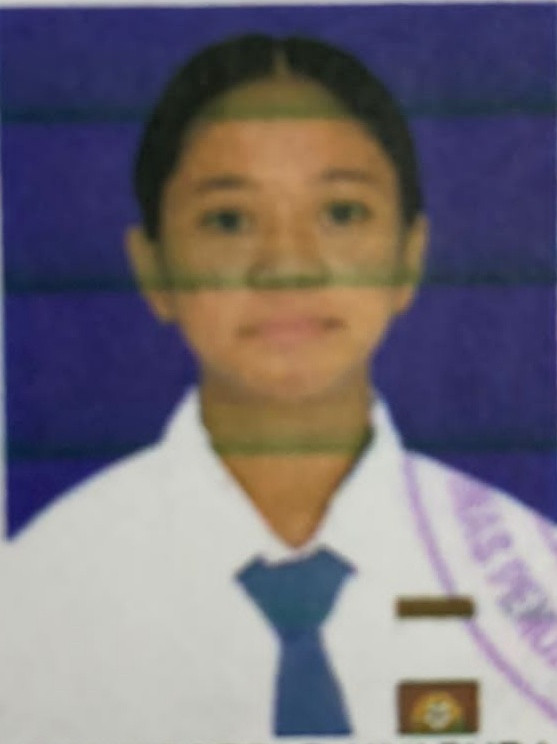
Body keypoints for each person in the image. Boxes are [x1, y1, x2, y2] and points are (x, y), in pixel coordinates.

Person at [1, 34, 556, 743]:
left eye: (341, 213)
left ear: (409, 258)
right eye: (228, 220)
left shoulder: (529, 577)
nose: (287, 266)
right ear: (153, 269)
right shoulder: (38, 595)